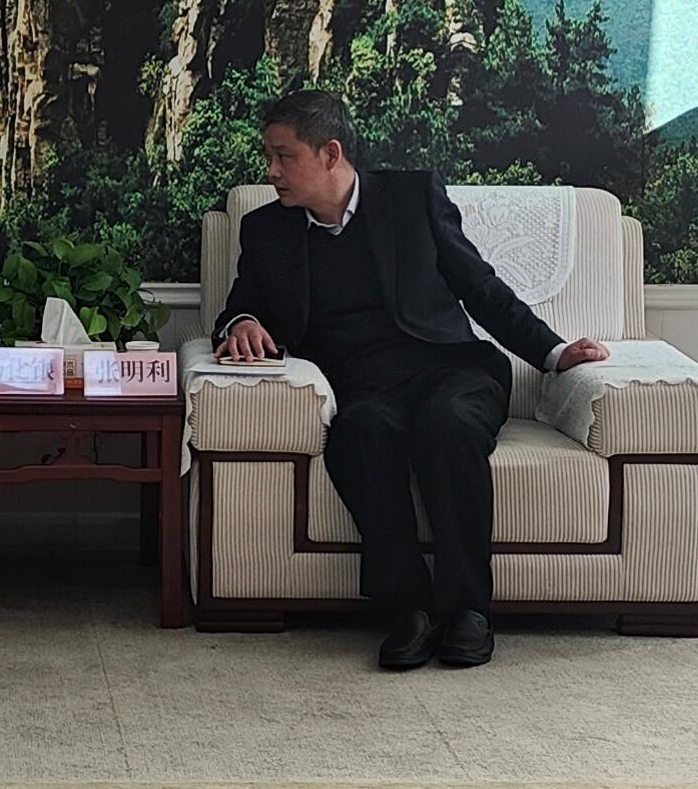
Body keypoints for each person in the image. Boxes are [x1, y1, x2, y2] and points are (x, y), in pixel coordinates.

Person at [215, 90, 610, 671]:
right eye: (269, 157)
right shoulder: (266, 230)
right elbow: (241, 304)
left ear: (330, 153)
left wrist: (553, 352)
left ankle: (469, 610)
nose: (271, 171)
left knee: (446, 426)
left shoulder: (410, 197)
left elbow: (480, 287)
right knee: (359, 435)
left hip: (453, 370)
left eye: (283, 156)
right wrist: (243, 322)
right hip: (364, 388)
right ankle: (406, 609)